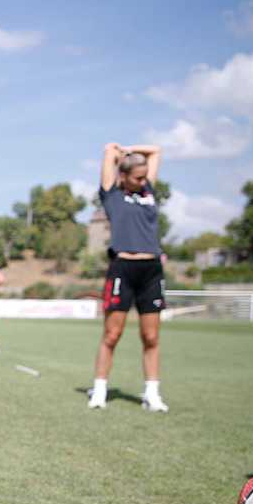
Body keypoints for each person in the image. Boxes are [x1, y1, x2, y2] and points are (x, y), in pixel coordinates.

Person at [89, 143, 167, 412]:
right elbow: (109, 149)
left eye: (145, 176)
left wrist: (133, 151)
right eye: (137, 177)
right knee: (112, 334)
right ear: (122, 176)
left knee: (151, 336)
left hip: (151, 270)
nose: (143, 181)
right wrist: (121, 154)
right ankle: (99, 390)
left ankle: (152, 393)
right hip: (123, 267)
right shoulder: (111, 195)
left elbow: (155, 151)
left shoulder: (149, 192)